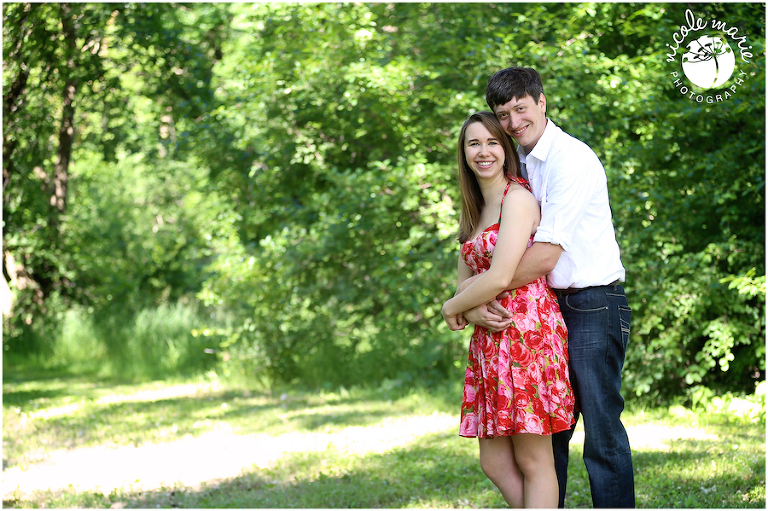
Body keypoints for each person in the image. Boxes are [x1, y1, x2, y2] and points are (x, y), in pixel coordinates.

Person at [462, 66, 635, 508]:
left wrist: (472, 298)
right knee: (548, 435)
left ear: (542, 102)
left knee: (602, 432)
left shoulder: (569, 159)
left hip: (593, 303)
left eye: (521, 108)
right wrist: (474, 302)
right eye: (503, 114)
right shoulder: (518, 162)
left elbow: (543, 257)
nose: (514, 121)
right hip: (547, 308)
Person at [442, 111, 575, 508]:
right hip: (489, 338)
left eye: (492, 143)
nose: (483, 152)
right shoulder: (474, 208)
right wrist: (468, 307)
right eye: (474, 143)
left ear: (506, 150)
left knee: (533, 460)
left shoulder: (517, 199)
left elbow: (499, 276)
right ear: (464, 153)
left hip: (525, 333)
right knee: (495, 463)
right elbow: (465, 283)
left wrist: (451, 307)